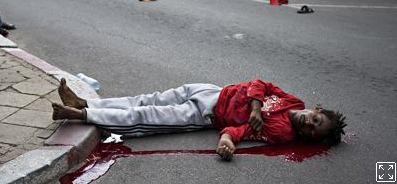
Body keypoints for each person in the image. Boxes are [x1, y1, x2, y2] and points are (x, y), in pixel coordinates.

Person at [52, 78, 346, 161]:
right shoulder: (294, 102)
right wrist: (256, 107)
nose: (307, 125)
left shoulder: (281, 132)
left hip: (205, 114)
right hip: (210, 91)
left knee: (148, 117)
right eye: (315, 121)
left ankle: (84, 115)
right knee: (145, 99)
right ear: (316, 110)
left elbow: (240, 130)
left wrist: (228, 140)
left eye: (311, 133)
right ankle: (86, 101)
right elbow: (261, 84)